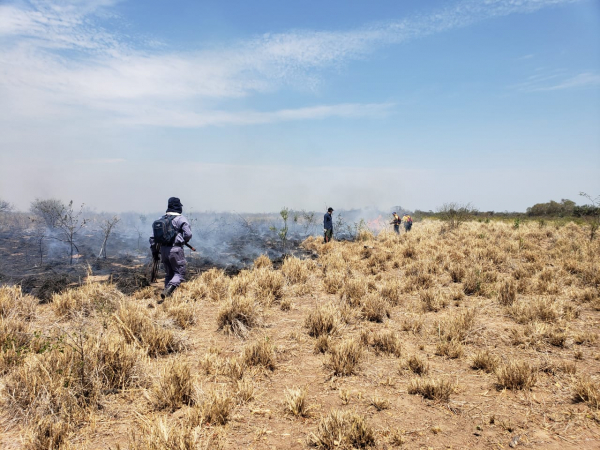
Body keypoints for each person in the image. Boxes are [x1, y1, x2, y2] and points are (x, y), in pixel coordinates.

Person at [150, 197, 192, 299]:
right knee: (180, 273)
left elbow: (152, 238)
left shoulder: (161, 219)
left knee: (169, 274)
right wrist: (183, 240)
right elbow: (188, 234)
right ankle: (169, 291)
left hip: (163, 250)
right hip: (176, 250)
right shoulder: (181, 219)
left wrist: (155, 252)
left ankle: (167, 298)